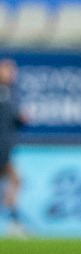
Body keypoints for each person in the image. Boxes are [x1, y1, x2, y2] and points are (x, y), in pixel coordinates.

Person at [0, 59, 28, 237]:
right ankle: (13, 221)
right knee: (16, 180)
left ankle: (13, 220)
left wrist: (21, 118)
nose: (11, 74)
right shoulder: (4, 93)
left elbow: (13, 120)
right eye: (7, 70)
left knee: (15, 181)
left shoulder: (10, 93)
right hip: (1, 148)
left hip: (5, 146)